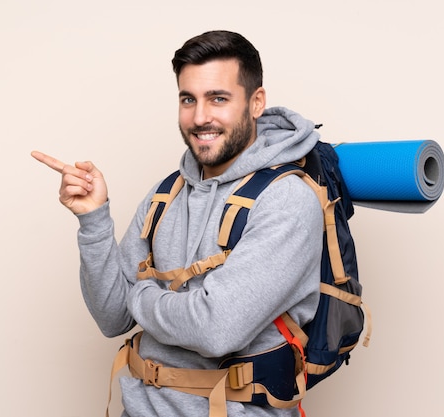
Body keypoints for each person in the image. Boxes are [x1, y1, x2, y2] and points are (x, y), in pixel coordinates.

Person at [32, 30, 323, 417]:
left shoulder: (287, 199)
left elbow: (215, 329)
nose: (200, 117)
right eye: (189, 99)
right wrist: (93, 220)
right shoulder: (165, 194)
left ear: (256, 103)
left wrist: (140, 295)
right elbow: (111, 317)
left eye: (218, 98)